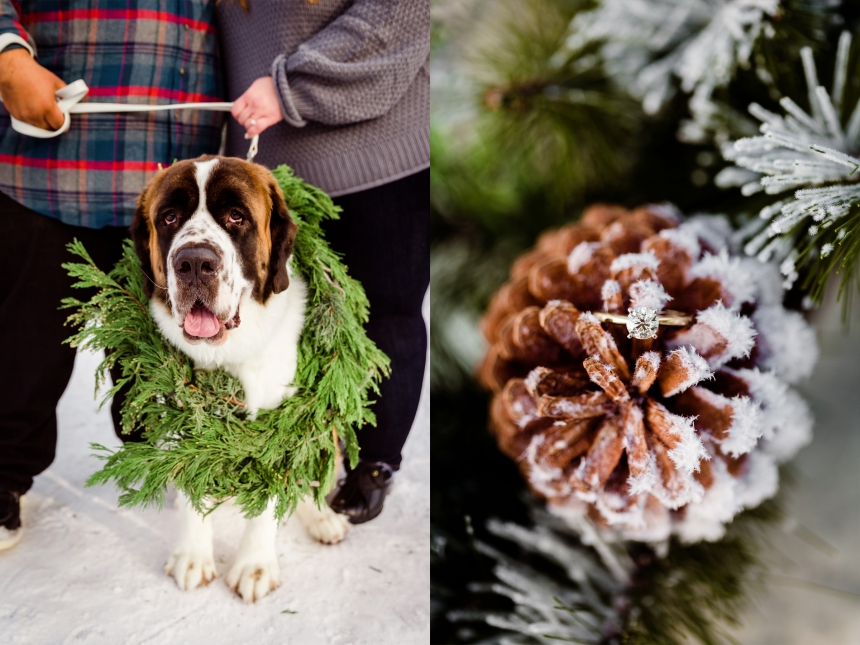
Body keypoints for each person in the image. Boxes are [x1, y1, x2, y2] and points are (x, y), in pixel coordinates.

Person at [0, 2, 225, 550]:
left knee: (169, 344)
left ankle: (162, 449)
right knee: (23, 350)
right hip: (52, 176)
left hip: (173, 197)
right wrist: (6, 55)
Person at [216, 0, 429, 523]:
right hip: (276, 175)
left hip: (381, 160)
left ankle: (374, 462)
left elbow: (401, 14)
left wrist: (289, 85)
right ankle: (305, 450)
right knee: (290, 321)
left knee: (388, 316)